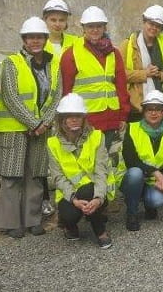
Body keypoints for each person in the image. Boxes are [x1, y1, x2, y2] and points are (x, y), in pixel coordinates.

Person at [0, 17, 61, 238]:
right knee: (12, 176)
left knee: (35, 175)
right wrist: (34, 123)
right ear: (24, 39)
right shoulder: (12, 63)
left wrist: (44, 123)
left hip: (41, 129)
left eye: (39, 37)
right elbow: (10, 96)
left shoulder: (53, 64)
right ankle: (10, 223)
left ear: (45, 39)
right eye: (30, 37)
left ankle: (33, 219)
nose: (35, 41)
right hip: (14, 128)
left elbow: (57, 96)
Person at [47, 93, 113, 249]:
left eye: (78, 116)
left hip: (97, 191)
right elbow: (58, 177)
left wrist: (98, 198)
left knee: (89, 190)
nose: (74, 119)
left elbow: (101, 171)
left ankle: (100, 231)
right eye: (69, 116)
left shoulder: (97, 137)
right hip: (70, 194)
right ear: (61, 119)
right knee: (69, 215)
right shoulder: (53, 143)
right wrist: (74, 200)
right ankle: (69, 226)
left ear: (84, 118)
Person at [60, 6, 130, 151]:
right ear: (83, 28)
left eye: (99, 26)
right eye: (90, 26)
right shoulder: (71, 54)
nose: (95, 30)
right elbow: (66, 90)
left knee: (109, 160)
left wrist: (123, 115)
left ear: (105, 28)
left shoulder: (114, 53)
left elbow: (121, 87)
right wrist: (68, 119)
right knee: (86, 159)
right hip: (85, 121)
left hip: (111, 119)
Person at [120, 90, 163, 231]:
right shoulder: (132, 128)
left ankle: (149, 205)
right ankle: (132, 212)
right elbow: (130, 160)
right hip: (132, 178)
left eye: (158, 109)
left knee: (156, 200)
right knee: (135, 173)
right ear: (144, 111)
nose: (154, 113)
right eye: (149, 109)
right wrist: (155, 172)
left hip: (153, 182)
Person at [40, 0, 77, 217]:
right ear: (45, 20)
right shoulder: (38, 42)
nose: (57, 24)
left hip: (70, 105)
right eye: (53, 19)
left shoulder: (75, 42)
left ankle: (70, 194)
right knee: (45, 152)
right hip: (45, 106)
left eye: (61, 20)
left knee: (69, 150)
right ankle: (44, 197)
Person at [123, 5, 163, 122]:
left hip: (160, 104)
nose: (154, 28)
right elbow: (120, 75)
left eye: (158, 26)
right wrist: (145, 74)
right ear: (144, 22)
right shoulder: (128, 44)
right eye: (151, 24)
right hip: (136, 106)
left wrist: (160, 75)